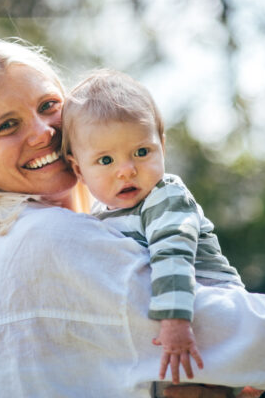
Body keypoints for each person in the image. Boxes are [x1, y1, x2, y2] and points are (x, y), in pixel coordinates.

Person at [0, 38, 265, 398]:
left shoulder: (21, 242)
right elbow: (264, 343)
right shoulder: (49, 238)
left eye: (48, 105)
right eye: (7, 125)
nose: (43, 132)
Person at [61, 69, 248, 384]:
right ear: (79, 168)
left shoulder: (166, 196)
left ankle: (239, 379)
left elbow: (172, 252)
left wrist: (174, 318)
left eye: (141, 152)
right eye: (105, 160)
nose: (127, 170)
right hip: (171, 330)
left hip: (209, 306)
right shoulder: (98, 218)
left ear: (161, 144)